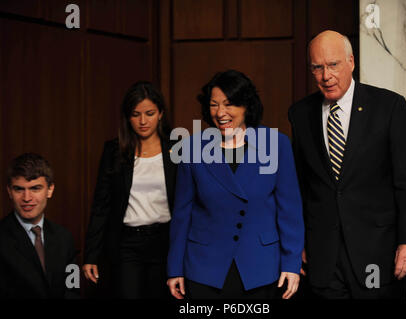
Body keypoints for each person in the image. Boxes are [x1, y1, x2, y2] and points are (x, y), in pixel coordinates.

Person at [288, 30, 406, 299]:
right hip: (323, 256)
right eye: (317, 67)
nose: (326, 76)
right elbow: (300, 186)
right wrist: (298, 243)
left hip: (378, 253)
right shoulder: (300, 114)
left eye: (333, 65)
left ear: (351, 62)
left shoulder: (389, 107)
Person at [167, 70, 304, 299]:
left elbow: (289, 210)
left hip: (260, 266)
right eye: (213, 105)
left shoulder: (276, 144)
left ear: (246, 106)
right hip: (204, 268)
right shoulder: (191, 148)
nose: (220, 113)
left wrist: (291, 263)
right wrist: (174, 269)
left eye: (229, 104)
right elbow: (182, 214)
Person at [83, 81, 177, 298]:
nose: (143, 121)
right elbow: (101, 205)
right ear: (127, 117)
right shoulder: (114, 150)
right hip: (127, 244)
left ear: (161, 113)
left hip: (166, 241)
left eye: (150, 113)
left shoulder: (177, 148)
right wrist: (91, 255)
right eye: (135, 114)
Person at [0, 153, 78, 298]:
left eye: (35, 188)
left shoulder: (65, 238)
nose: (27, 198)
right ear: (9, 192)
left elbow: (72, 288)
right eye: (19, 189)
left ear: (50, 190)